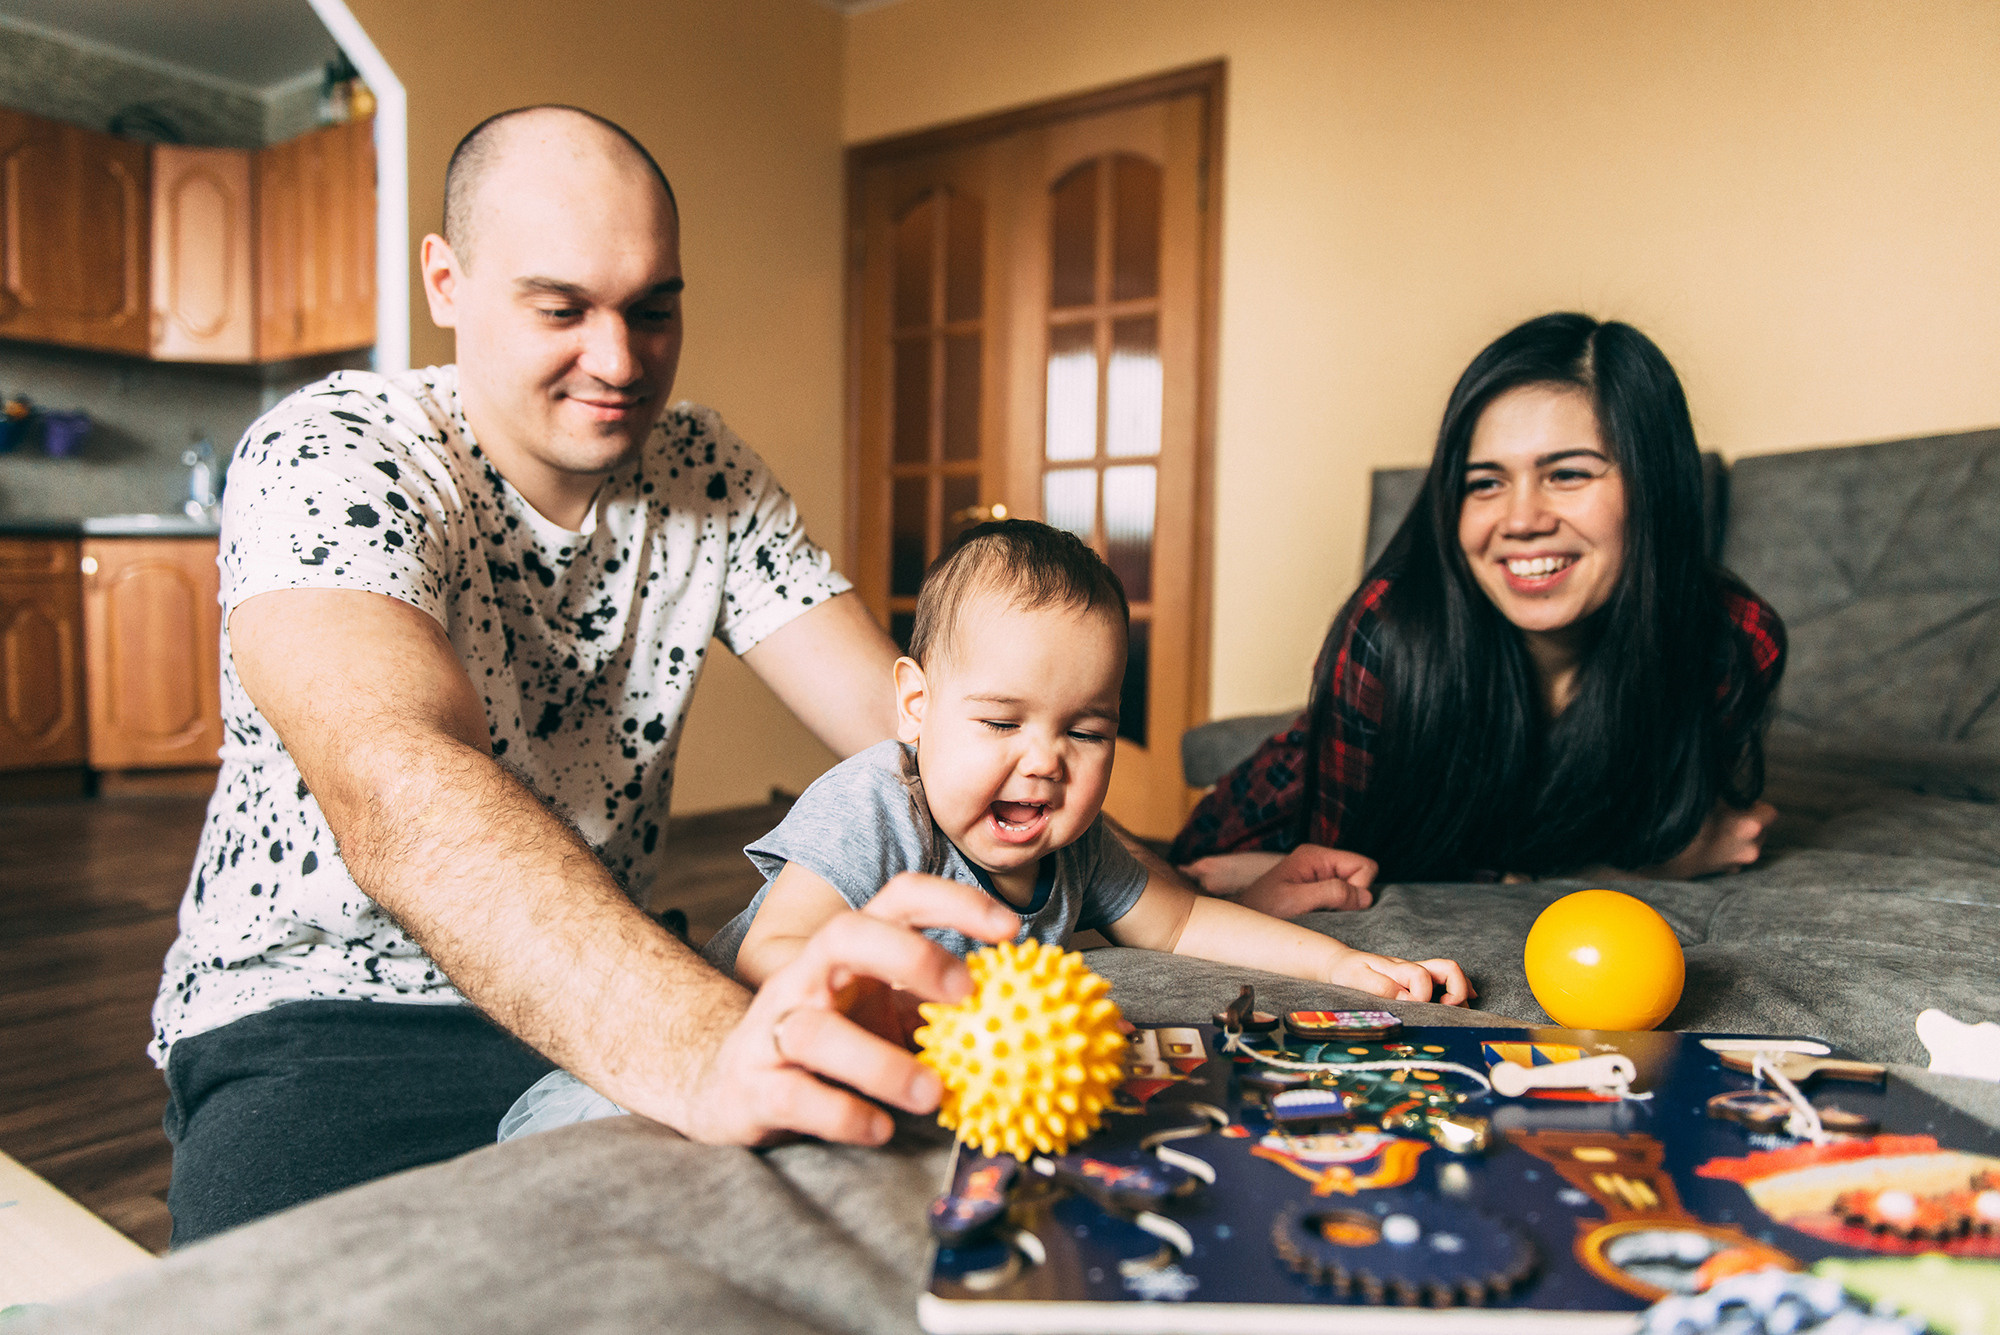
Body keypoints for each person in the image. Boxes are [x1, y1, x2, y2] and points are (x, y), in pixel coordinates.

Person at [152, 104, 1026, 1245]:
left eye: (653, 310)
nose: (618, 363)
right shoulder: (335, 451)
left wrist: (1164, 893)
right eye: (560, 309)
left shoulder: (705, 470)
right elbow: (391, 778)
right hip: (322, 1013)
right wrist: (703, 1039)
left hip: (600, 971)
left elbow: (911, 736)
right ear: (447, 281)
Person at [499, 521, 1470, 1142]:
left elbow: (1180, 926)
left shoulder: (1073, 847)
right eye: (1001, 724)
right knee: (579, 1145)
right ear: (915, 708)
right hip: (676, 1064)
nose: (1043, 759)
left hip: (881, 1105)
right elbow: (775, 950)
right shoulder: (878, 802)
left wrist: (1348, 970)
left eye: (1084, 731)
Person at [1173, 313, 1786, 891]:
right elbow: (1347, 875)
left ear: (1654, 486)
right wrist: (1666, 863)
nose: (1520, 520)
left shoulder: (1733, 641)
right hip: (1279, 834)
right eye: (1486, 483)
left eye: (1568, 474)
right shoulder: (1389, 630)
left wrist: (1647, 855)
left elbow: (1642, 824)